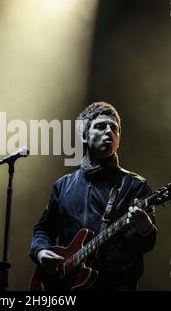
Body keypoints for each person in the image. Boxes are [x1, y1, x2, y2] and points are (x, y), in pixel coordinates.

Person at [29, 102, 157, 290]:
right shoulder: (63, 185)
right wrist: (41, 251)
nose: (109, 132)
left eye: (115, 128)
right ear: (84, 135)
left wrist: (145, 228)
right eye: (100, 126)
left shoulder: (135, 186)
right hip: (66, 286)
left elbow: (145, 245)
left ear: (119, 139)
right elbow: (42, 230)